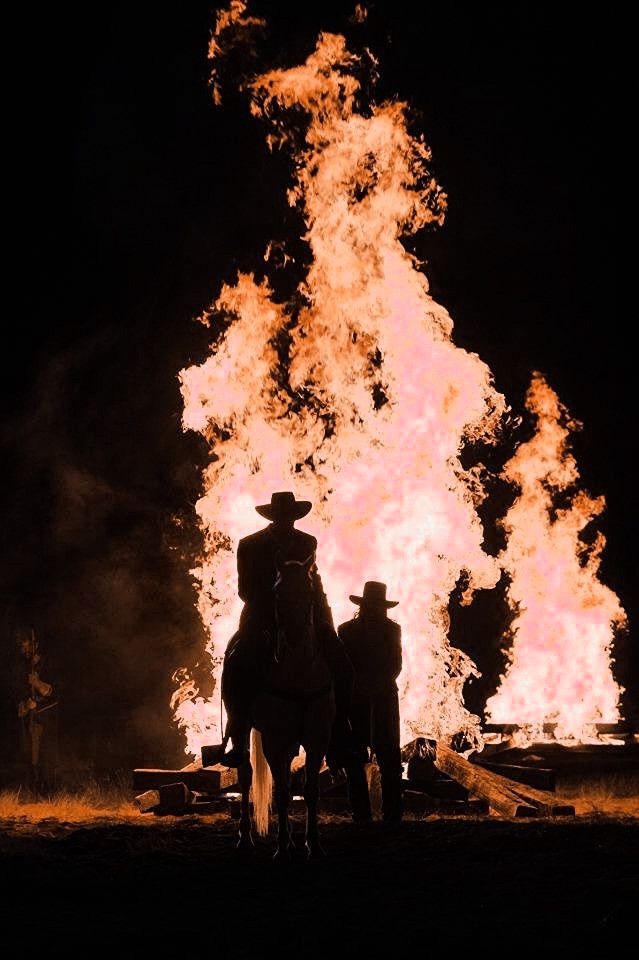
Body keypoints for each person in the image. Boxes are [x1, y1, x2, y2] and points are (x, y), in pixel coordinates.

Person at [218, 490, 353, 767]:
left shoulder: (308, 542)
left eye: (289, 517)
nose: (286, 522)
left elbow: (314, 581)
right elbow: (246, 590)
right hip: (263, 615)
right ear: (273, 517)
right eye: (281, 517)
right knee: (238, 662)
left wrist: (323, 618)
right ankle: (238, 737)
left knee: (342, 663)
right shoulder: (250, 545)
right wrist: (280, 602)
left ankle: (340, 729)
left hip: (306, 613)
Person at [338, 581, 403, 823]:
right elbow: (343, 667)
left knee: (387, 760)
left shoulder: (350, 630)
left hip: (380, 698)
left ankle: (388, 813)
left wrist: (370, 688)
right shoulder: (348, 631)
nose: (377, 610)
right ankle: (370, 814)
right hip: (366, 699)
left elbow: (395, 666)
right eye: (374, 606)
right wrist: (366, 688)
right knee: (358, 758)